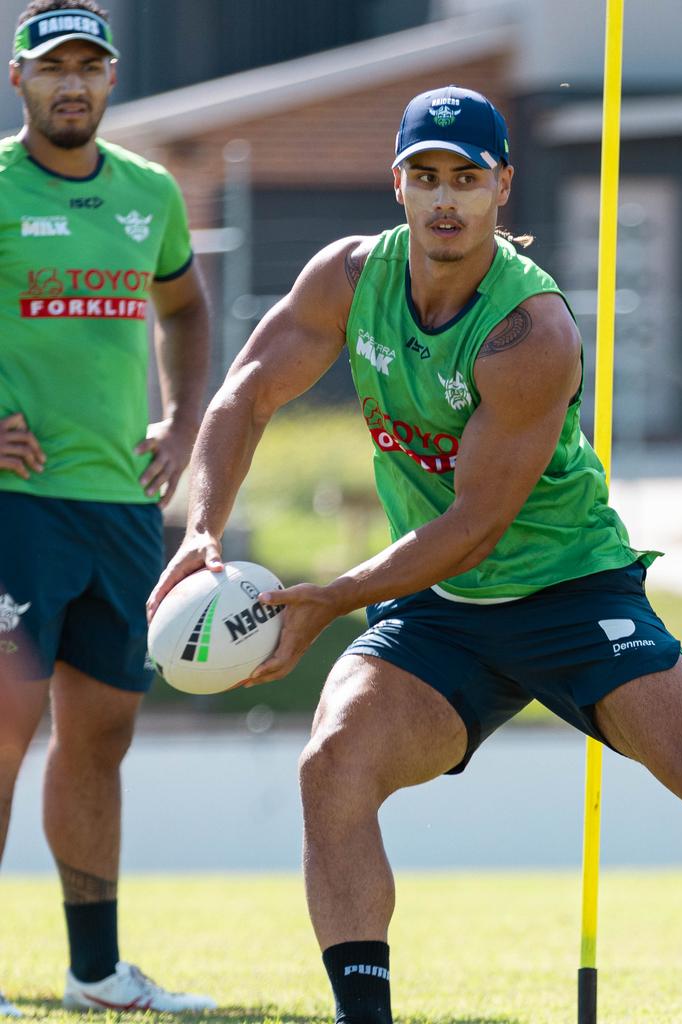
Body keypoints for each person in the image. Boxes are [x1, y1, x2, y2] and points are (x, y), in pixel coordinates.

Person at [150, 85, 682, 1024]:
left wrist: (330, 597)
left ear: (502, 188)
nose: (446, 199)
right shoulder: (350, 280)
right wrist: (202, 529)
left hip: (566, 590)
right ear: (397, 183)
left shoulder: (531, 331)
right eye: (426, 176)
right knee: (333, 768)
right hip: (437, 612)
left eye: (466, 178)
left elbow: (475, 524)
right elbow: (242, 398)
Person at [0, 0, 216, 1015]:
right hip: (13, 505)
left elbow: (184, 307)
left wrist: (181, 424)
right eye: (52, 68)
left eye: (88, 66)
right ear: (20, 83)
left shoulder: (150, 193)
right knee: (2, 728)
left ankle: (95, 972)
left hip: (120, 509)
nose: (71, 83)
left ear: (113, 79)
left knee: (101, 739)